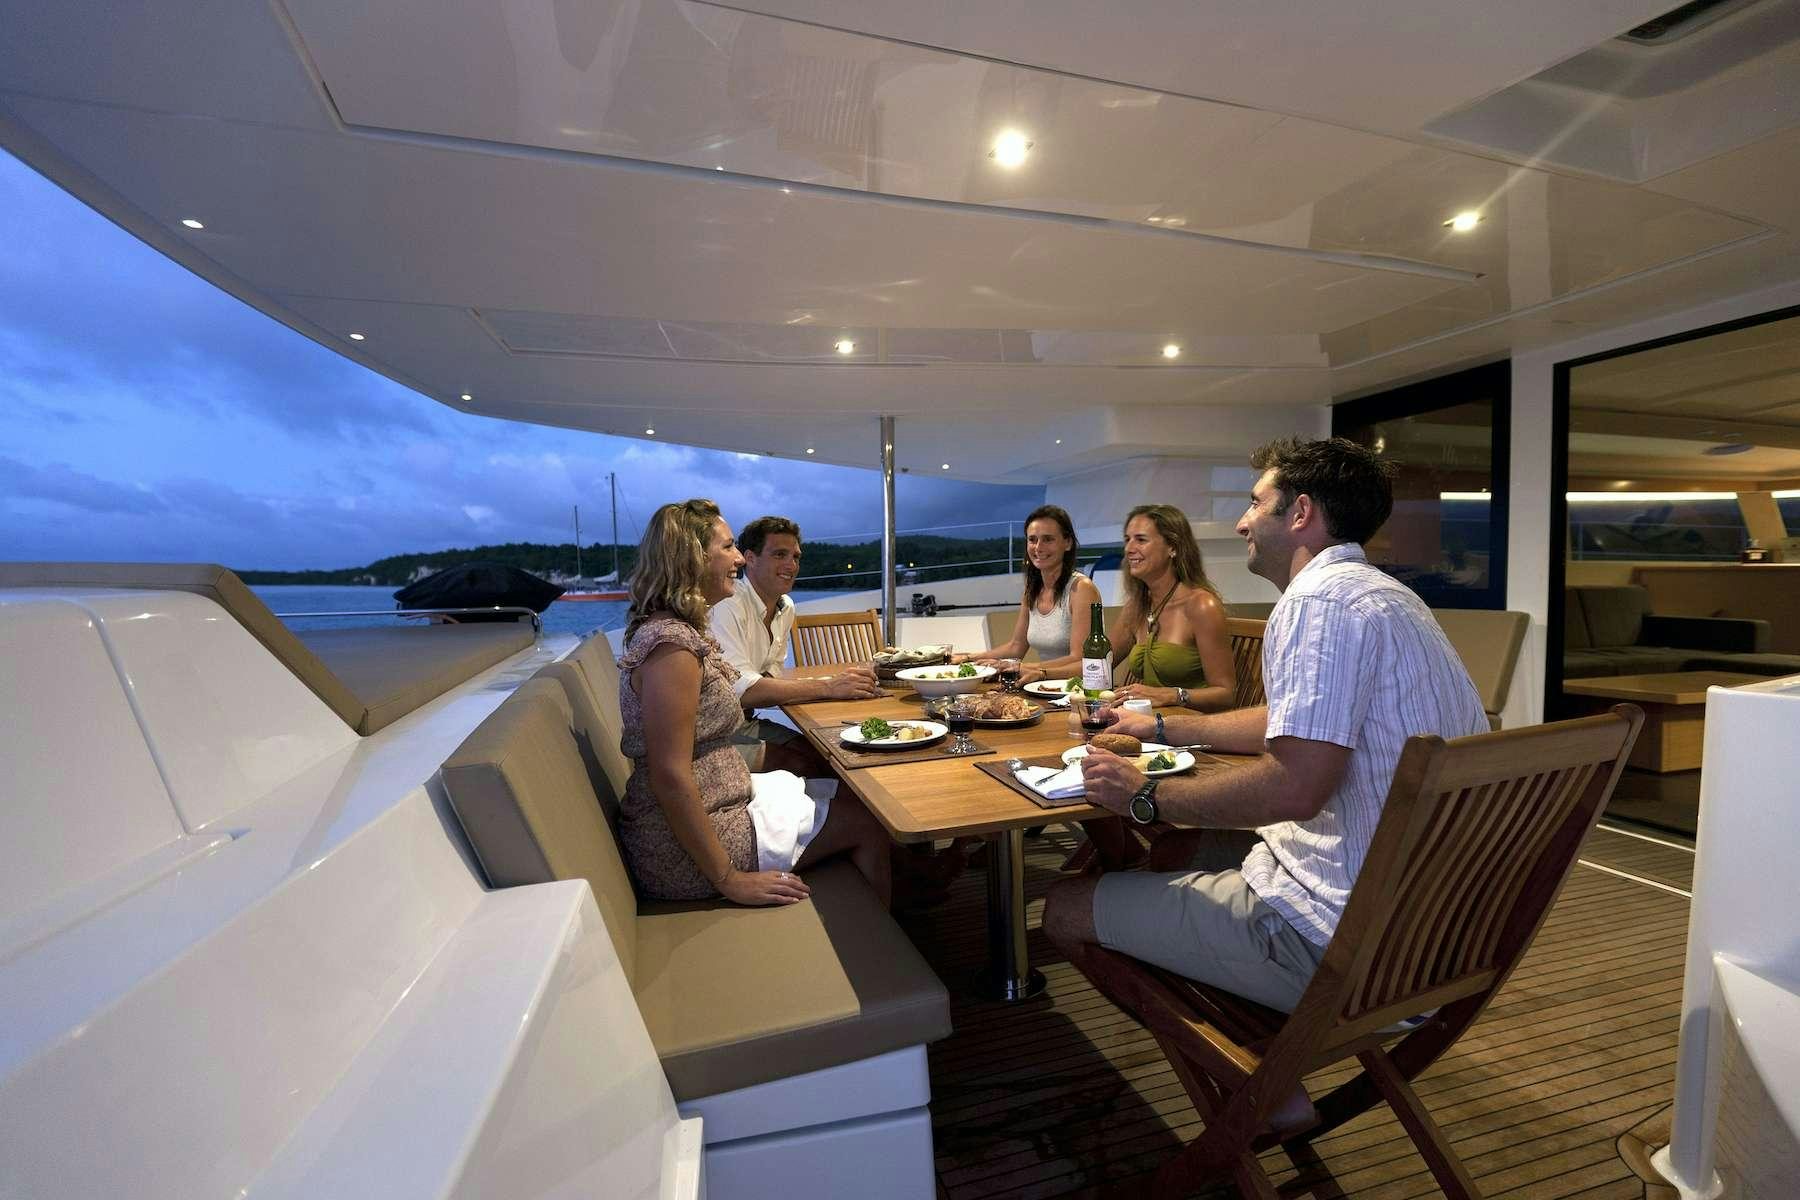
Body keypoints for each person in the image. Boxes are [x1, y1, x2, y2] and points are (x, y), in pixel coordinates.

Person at [1043, 437, 1488, 1023]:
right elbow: (1295, 722)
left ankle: (1260, 1085)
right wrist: (1163, 727)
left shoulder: (1317, 604)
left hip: (1346, 939)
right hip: (1438, 923)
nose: (1241, 521)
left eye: (1256, 503)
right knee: (1181, 847)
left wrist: (1143, 795)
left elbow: (1296, 787)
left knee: (1064, 906)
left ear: (1300, 513)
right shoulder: (1389, 598)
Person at [616, 499, 892, 906]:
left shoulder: (679, 634)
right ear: (692, 557)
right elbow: (670, 775)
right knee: (869, 822)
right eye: (727, 548)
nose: (737, 560)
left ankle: (907, 888)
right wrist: (728, 878)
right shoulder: (671, 649)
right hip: (684, 847)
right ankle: (888, 954)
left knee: (854, 794)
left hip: (724, 801)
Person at [710, 515, 883, 774]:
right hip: (713, 734)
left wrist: (827, 687)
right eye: (780, 554)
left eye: (796, 557)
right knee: (804, 763)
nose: (791, 565)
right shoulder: (728, 604)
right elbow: (741, 692)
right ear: (750, 558)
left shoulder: (786, 607)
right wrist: (828, 687)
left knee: (826, 754)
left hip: (744, 721)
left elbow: (770, 675)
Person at [961, 504, 1103, 668]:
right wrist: (967, 658)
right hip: (1044, 685)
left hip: (1077, 688)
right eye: (1032, 540)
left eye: (1048, 539)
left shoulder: (1082, 589)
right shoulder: (1032, 590)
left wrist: (1021, 668)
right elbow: (1016, 647)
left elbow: (1079, 658)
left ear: (1068, 543)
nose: (1038, 547)